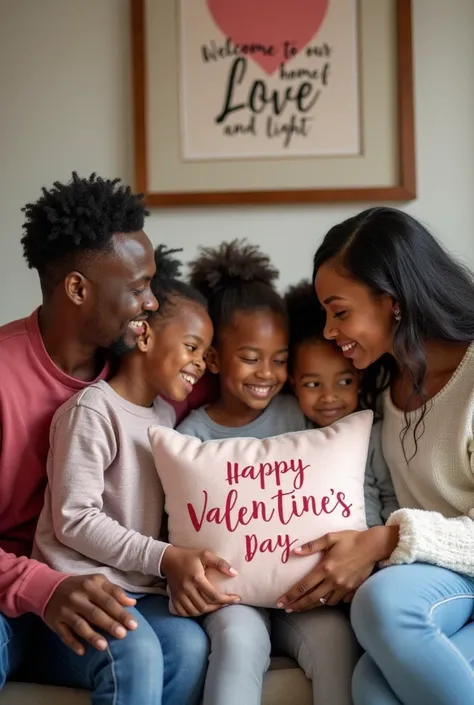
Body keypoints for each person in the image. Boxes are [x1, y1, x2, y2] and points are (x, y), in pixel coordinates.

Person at [0, 173, 206, 704]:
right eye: (137, 288)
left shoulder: (144, 379)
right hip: (12, 597)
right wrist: (41, 587)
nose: (151, 303)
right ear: (77, 288)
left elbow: (234, 379)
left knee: (183, 647)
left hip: (96, 587)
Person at [277, 206, 474, 705]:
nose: (327, 330)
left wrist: (385, 540)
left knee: (382, 604)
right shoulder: (380, 381)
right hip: (437, 586)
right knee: (369, 687)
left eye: (339, 311)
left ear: (394, 302)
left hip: (441, 580)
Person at [32, 246, 239, 704]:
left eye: (206, 353)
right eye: (191, 347)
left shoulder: (166, 418)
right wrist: (164, 557)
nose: (201, 363)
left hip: (138, 589)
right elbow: (74, 518)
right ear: (143, 336)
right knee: (137, 650)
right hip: (78, 588)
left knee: (190, 647)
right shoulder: (92, 410)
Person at [178, 240, 360, 705]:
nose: (267, 372)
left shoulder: (298, 415)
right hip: (232, 598)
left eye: (279, 359)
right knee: (238, 644)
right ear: (215, 359)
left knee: (336, 644)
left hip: (303, 589)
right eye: (250, 357)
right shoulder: (190, 436)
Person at [285, 280, 399, 529]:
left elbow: (390, 497)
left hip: (366, 547)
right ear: (294, 385)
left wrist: (386, 546)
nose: (329, 397)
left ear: (359, 379)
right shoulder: (289, 429)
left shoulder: (372, 433)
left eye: (344, 381)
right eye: (313, 385)